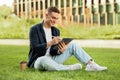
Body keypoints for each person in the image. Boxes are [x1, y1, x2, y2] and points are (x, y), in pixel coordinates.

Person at [27, 6, 107, 71]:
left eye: (57, 18)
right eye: (53, 18)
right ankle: (69, 68)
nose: (55, 21)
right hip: (38, 61)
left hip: (52, 59)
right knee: (43, 59)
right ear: (46, 15)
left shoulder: (56, 31)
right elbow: (35, 48)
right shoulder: (35, 29)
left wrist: (60, 51)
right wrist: (51, 43)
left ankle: (90, 64)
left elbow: (53, 51)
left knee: (72, 45)